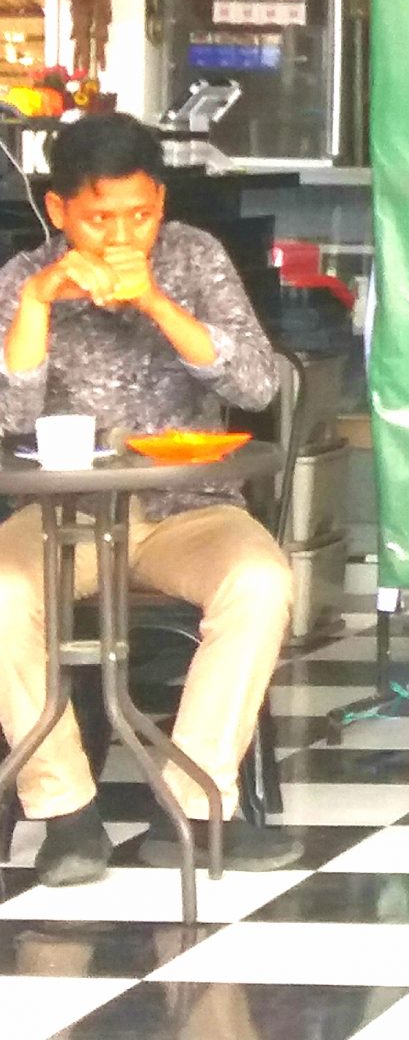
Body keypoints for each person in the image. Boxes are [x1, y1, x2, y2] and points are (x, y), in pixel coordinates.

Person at [0, 113, 301, 884]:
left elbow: (256, 385)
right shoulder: (24, 277)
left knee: (261, 582)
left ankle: (190, 807)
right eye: (99, 219)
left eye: (140, 214)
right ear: (59, 210)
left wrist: (161, 304)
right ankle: (66, 813)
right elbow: (9, 419)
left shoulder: (194, 257)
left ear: (161, 201)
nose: (121, 235)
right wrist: (36, 304)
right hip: (62, 519)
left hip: (188, 508)